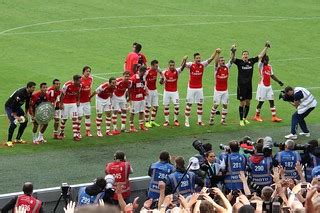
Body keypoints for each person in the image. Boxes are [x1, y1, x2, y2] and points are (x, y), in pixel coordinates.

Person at [231, 41, 270, 126]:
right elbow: (232, 59)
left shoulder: (251, 61)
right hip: (241, 86)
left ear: (248, 56)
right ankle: (241, 120)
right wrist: (233, 51)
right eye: (244, 54)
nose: (245, 56)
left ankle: (245, 118)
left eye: (246, 54)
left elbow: (260, 56)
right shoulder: (239, 62)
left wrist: (266, 47)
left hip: (249, 85)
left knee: (248, 102)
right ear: (242, 56)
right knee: (242, 103)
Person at [184, 50, 219, 127]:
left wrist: (216, 52)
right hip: (191, 88)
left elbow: (211, 59)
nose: (198, 59)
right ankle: (186, 121)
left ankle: (199, 121)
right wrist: (184, 60)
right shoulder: (190, 65)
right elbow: (183, 65)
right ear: (194, 59)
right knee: (189, 104)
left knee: (200, 104)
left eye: (199, 58)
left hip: (199, 88)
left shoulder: (202, 65)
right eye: (197, 58)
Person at [4, 82, 36, 147]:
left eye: (34, 87)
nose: (34, 89)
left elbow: (27, 103)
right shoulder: (20, 93)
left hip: (17, 106)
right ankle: (9, 141)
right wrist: (15, 116)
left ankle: (17, 139)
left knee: (25, 121)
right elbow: (14, 104)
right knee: (13, 123)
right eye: (33, 87)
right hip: (10, 107)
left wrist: (25, 114)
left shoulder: (29, 92)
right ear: (28, 87)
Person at [254, 54, 283, 122]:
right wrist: (266, 49)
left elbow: (272, 75)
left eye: (268, 60)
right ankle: (257, 116)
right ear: (263, 60)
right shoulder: (260, 66)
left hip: (269, 86)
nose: (267, 61)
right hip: (262, 86)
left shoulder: (269, 66)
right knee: (261, 102)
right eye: (265, 60)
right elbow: (261, 58)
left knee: (272, 101)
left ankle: (274, 117)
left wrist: (279, 81)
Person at [209, 46, 234, 126]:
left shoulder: (227, 67)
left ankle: (223, 120)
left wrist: (233, 52)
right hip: (218, 90)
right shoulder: (216, 69)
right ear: (219, 62)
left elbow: (232, 60)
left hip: (225, 90)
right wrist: (218, 54)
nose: (223, 62)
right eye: (221, 61)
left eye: (223, 60)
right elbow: (215, 62)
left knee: (225, 105)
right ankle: (211, 119)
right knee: (216, 105)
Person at [160, 56, 188, 127]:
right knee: (166, 106)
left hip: (175, 92)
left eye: (173, 65)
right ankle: (167, 121)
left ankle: (176, 120)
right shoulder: (164, 72)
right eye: (170, 65)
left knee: (177, 106)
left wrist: (184, 60)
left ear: (174, 65)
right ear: (168, 65)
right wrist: (162, 80)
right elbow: (160, 82)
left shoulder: (177, 71)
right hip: (166, 92)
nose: (172, 66)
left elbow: (182, 67)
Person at [59, 75, 82, 141]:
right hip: (65, 103)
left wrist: (78, 100)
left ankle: (75, 135)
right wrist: (61, 103)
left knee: (75, 118)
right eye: (79, 80)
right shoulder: (67, 85)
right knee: (64, 119)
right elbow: (62, 94)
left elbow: (78, 93)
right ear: (75, 80)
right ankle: (61, 133)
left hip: (73, 103)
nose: (80, 82)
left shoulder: (80, 85)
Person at [128, 66, 148, 132]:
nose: (145, 74)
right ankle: (131, 127)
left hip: (142, 98)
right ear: (142, 72)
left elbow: (143, 86)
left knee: (141, 111)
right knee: (132, 112)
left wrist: (145, 92)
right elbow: (129, 88)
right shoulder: (133, 78)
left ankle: (141, 125)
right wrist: (129, 98)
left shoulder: (143, 78)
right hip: (134, 99)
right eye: (145, 72)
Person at [144, 60, 162, 128]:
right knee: (148, 107)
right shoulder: (147, 71)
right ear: (152, 65)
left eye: (157, 66)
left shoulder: (157, 69)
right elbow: (143, 79)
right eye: (156, 66)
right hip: (148, 90)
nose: (157, 67)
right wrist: (145, 89)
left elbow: (161, 73)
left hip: (155, 90)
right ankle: (146, 122)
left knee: (156, 106)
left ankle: (152, 121)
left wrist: (162, 78)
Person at [78, 66, 93, 137]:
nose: (88, 73)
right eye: (87, 71)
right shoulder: (80, 80)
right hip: (80, 102)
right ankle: (78, 132)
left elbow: (90, 88)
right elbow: (77, 91)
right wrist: (77, 100)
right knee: (80, 117)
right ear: (83, 72)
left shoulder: (91, 78)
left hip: (87, 101)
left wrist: (90, 96)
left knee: (88, 116)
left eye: (89, 71)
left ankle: (88, 131)